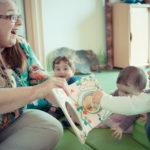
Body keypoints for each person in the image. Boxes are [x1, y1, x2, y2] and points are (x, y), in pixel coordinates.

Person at [0, 0, 70, 150]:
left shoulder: (20, 45)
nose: (19, 22)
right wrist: (38, 91)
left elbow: (42, 79)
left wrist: (66, 97)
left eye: (19, 16)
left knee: (51, 127)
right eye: (12, 17)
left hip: (10, 122)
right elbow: (40, 88)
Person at [92, 68, 150, 142]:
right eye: (119, 90)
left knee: (130, 127)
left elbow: (131, 113)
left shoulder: (141, 99)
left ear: (140, 92)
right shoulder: (121, 92)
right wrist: (103, 98)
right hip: (117, 114)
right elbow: (113, 96)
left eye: (126, 93)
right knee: (104, 114)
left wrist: (121, 127)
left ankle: (110, 124)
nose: (121, 94)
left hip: (125, 120)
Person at [48, 56, 81, 127]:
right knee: (51, 113)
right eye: (58, 69)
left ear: (73, 71)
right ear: (54, 71)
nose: (61, 72)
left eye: (65, 68)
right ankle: (49, 119)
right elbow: (54, 95)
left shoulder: (74, 80)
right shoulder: (55, 81)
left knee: (76, 114)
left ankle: (70, 121)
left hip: (73, 104)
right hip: (61, 105)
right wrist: (53, 105)